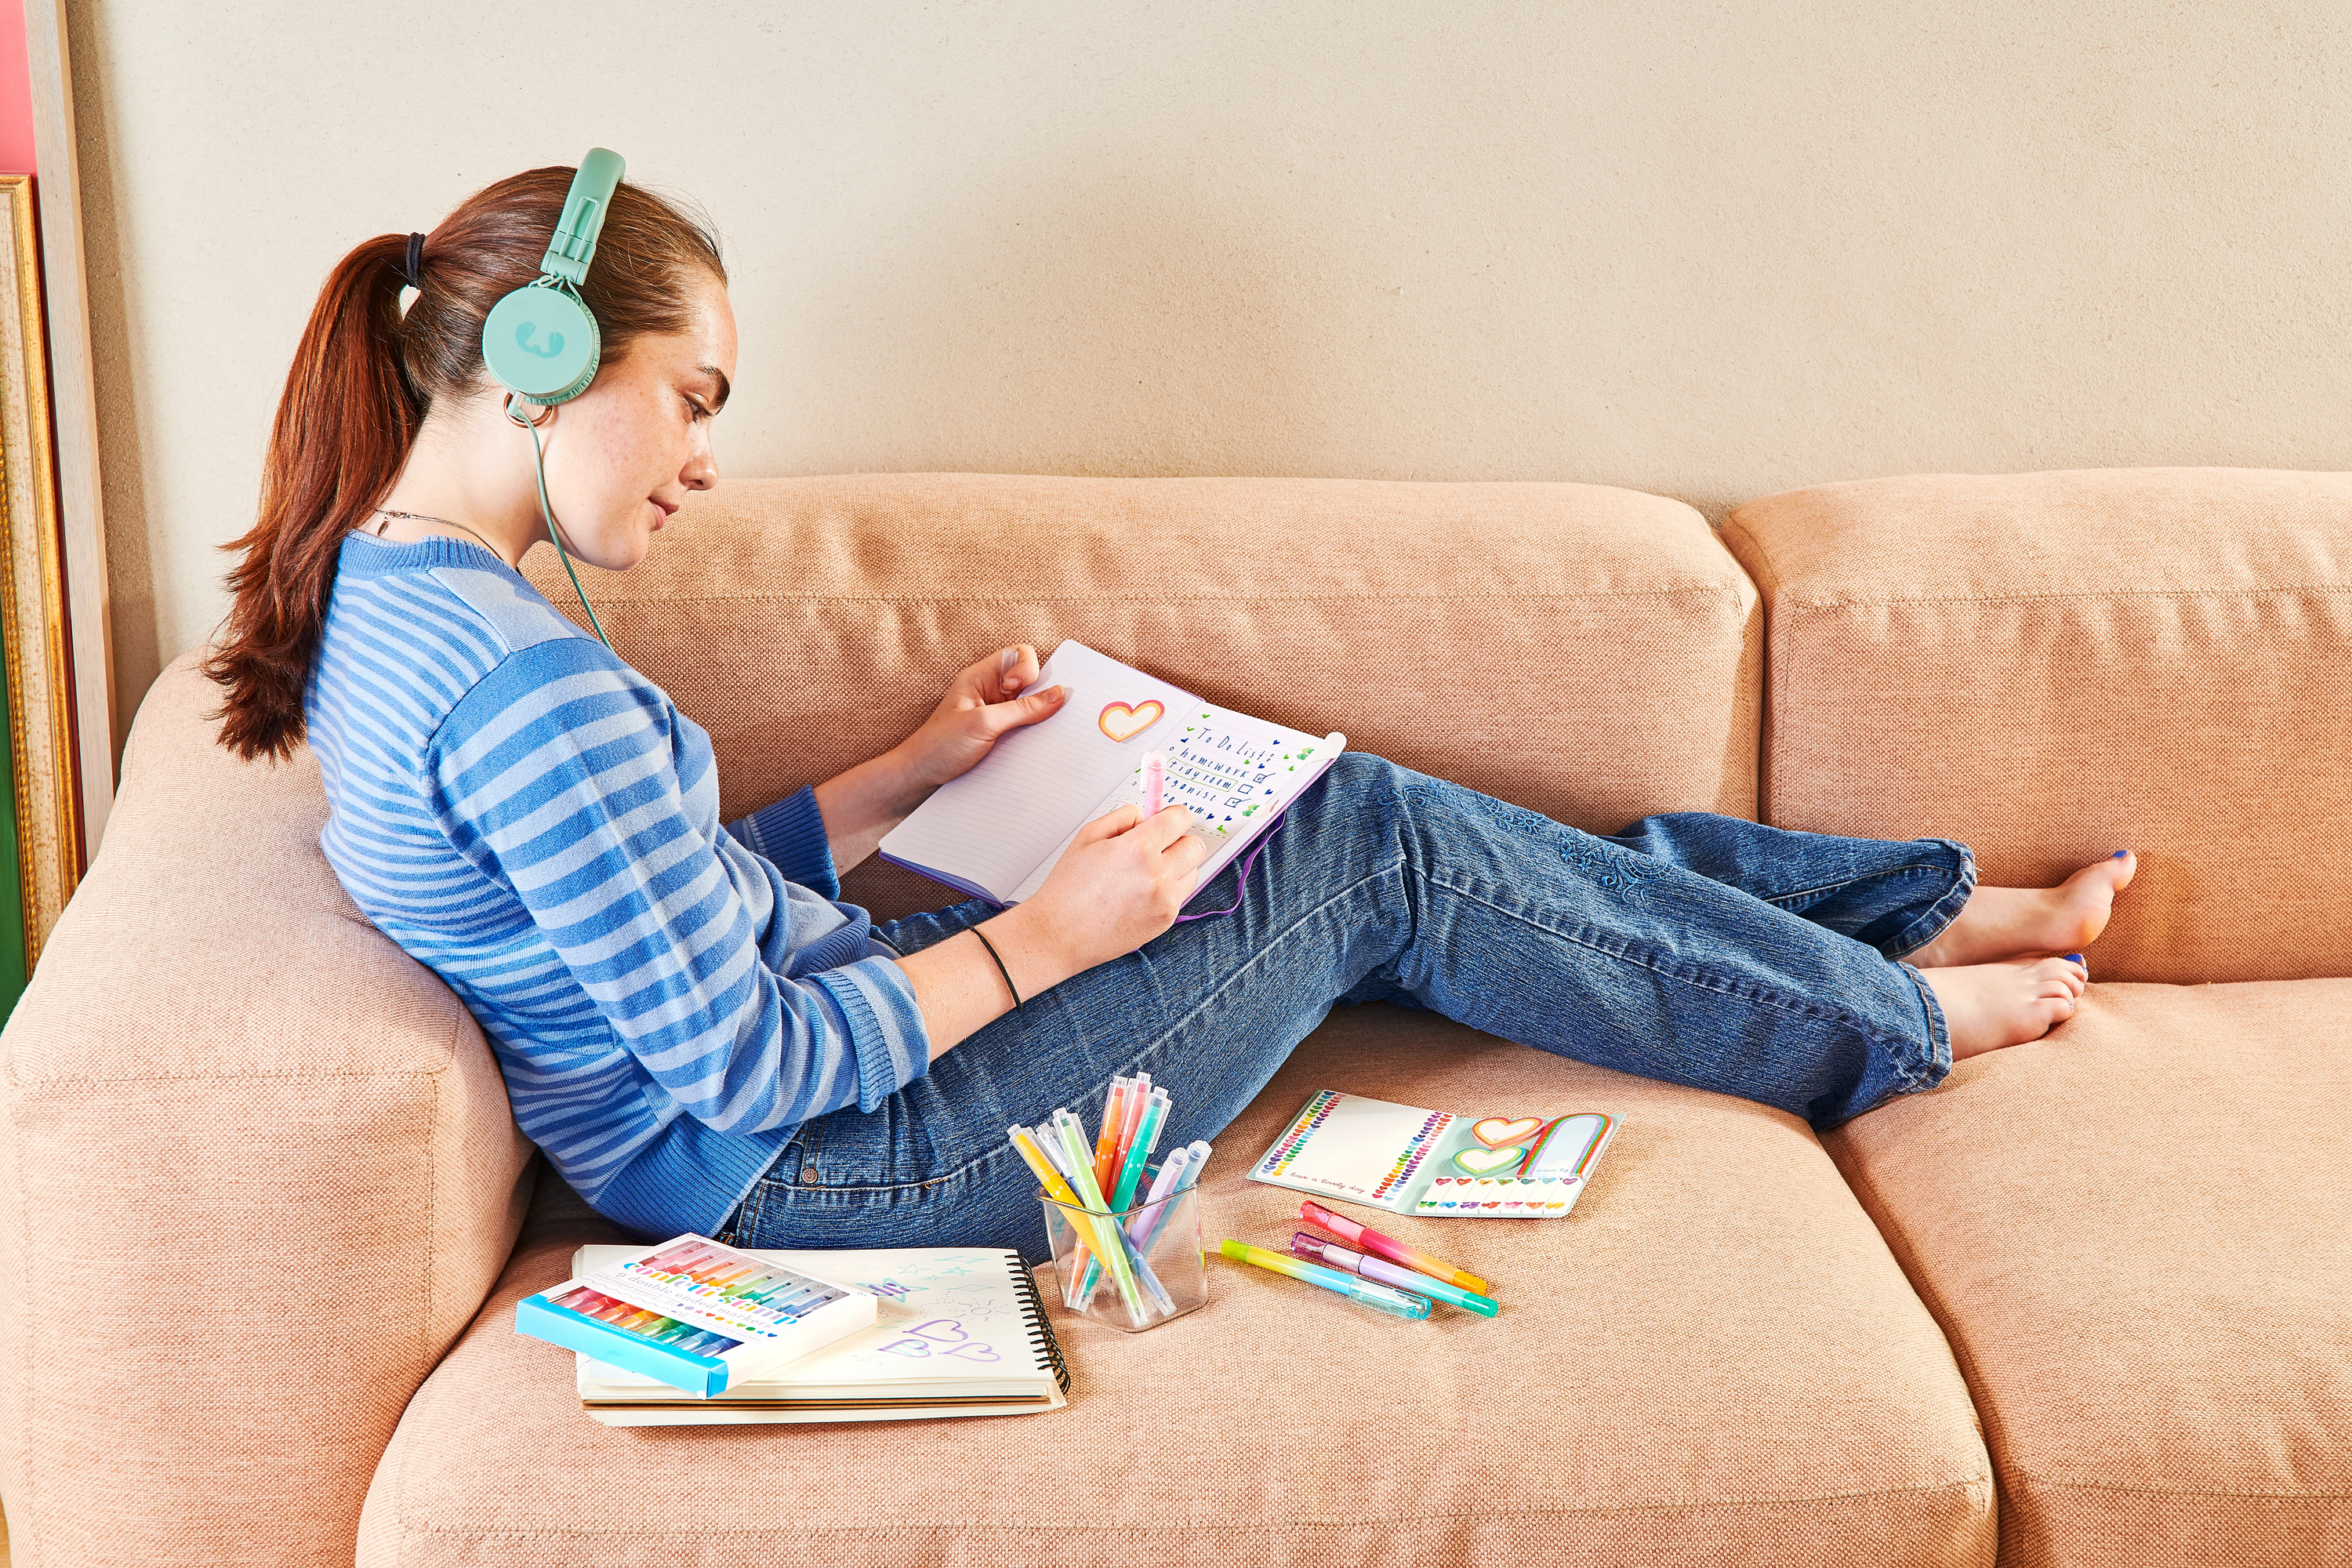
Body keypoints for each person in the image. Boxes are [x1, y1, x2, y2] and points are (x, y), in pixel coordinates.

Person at [205, 166, 2134, 1251]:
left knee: (1330, 826)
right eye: (698, 395)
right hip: (839, 1163)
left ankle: (1861, 919)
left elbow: (642, 899)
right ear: (542, 359)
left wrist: (908, 775)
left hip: (814, 1093)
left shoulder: (405, 610)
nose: (709, 457)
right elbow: (748, 1070)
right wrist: (1047, 939)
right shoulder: (521, 684)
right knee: (1365, 838)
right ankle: (1887, 1007)